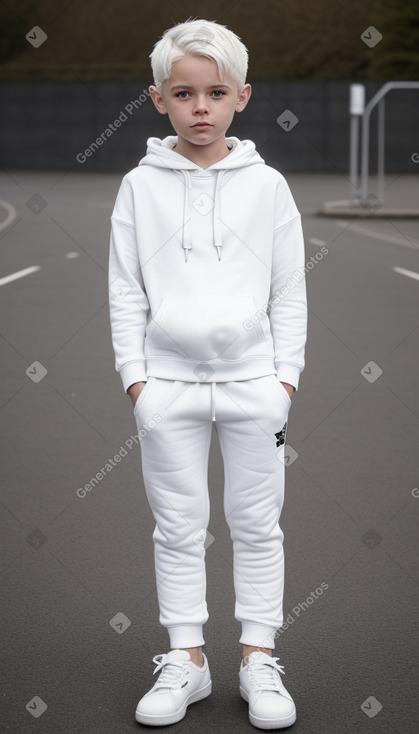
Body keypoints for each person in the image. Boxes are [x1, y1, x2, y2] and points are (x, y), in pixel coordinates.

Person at [108, 17, 307, 730]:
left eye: (215, 92)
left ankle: (258, 658)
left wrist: (282, 381)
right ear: (158, 99)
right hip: (167, 391)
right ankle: (186, 661)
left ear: (241, 98)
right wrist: (138, 380)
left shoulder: (268, 186)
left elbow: (289, 289)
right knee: (177, 526)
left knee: (256, 525)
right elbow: (125, 288)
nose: (200, 106)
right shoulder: (139, 186)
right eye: (183, 92)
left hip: (256, 388)